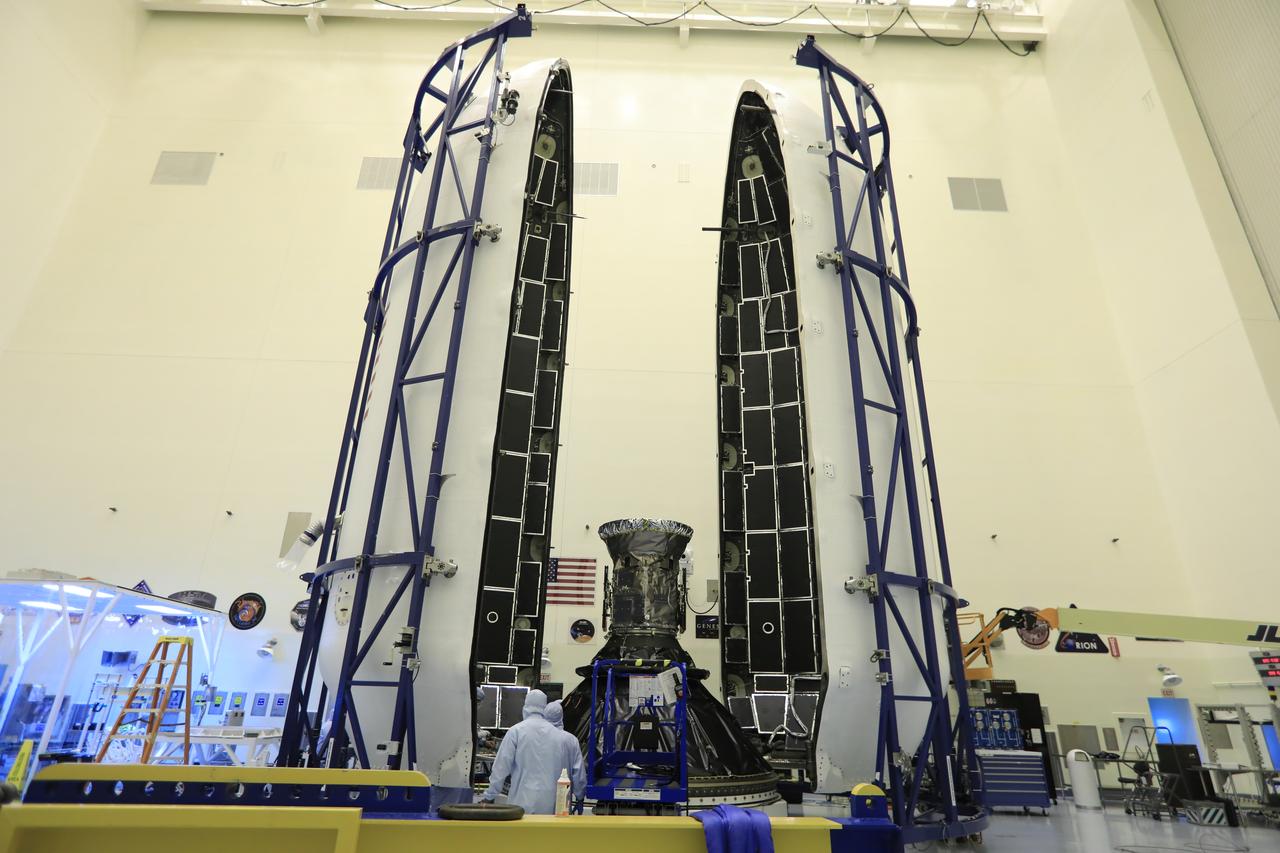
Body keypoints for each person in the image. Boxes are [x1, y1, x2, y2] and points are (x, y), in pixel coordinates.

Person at [482, 689, 584, 814]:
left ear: (525, 706)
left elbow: (501, 768)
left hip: (520, 805)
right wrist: (580, 796)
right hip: (552, 806)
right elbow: (575, 772)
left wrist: (489, 796)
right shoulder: (560, 737)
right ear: (544, 707)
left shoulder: (516, 732)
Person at [544, 700, 587, 808]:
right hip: (561, 798)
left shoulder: (536, 737)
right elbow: (578, 772)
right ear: (561, 716)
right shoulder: (571, 740)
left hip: (535, 799)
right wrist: (580, 796)